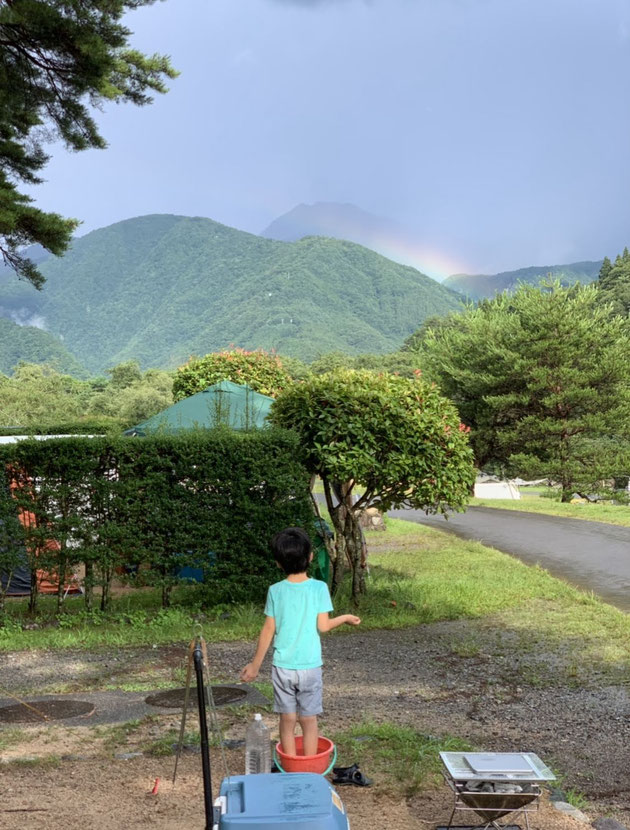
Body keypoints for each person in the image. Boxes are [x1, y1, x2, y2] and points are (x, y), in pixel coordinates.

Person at [240, 527, 361, 757]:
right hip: (310, 666)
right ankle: (309, 770)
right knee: (308, 719)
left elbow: (268, 630)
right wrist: (344, 618)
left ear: (278, 562)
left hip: (282, 667)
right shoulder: (319, 588)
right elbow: (323, 626)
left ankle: (290, 766)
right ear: (311, 557)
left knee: (287, 719)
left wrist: (255, 665)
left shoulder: (275, 591)